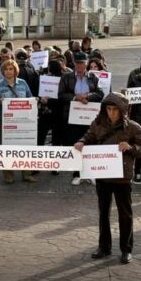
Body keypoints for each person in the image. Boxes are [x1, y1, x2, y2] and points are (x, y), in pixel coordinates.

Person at [75, 93, 141, 265]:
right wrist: (81, 142)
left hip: (122, 178)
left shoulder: (132, 127)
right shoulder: (98, 124)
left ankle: (126, 249)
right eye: (108, 109)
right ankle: (104, 246)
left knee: (125, 214)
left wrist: (131, 147)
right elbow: (88, 137)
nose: (111, 113)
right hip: (103, 176)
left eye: (115, 109)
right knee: (103, 212)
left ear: (122, 110)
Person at [59, 52, 104, 185]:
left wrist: (88, 97)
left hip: (89, 117)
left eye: (82, 63)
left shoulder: (93, 77)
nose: (80, 66)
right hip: (73, 117)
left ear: (86, 63)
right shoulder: (66, 77)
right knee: (76, 144)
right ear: (74, 63)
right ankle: (77, 174)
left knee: (90, 144)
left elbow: (100, 93)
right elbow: (61, 95)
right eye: (77, 63)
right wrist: (76, 97)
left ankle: (90, 173)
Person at [0, 59, 36, 184]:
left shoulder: (23, 83)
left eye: (10, 69)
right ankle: (8, 175)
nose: (8, 72)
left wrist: (36, 100)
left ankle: (27, 174)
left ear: (15, 70)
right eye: (5, 69)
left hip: (23, 121)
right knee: (7, 148)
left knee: (25, 146)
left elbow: (30, 98)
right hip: (5, 121)